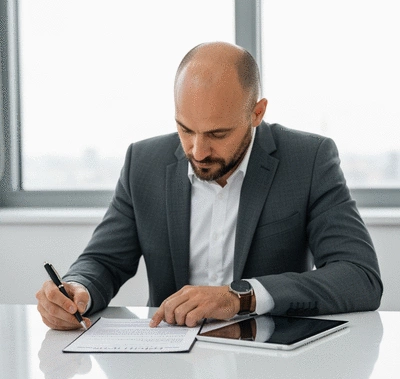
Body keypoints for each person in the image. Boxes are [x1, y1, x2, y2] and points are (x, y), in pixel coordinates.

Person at [36, 41, 383, 330]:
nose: (198, 151)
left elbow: (360, 276)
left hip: (272, 367)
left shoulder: (308, 160)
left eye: (217, 134)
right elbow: (103, 261)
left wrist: (240, 296)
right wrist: (76, 289)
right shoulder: (144, 163)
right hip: (168, 367)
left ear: (256, 113)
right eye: (186, 129)